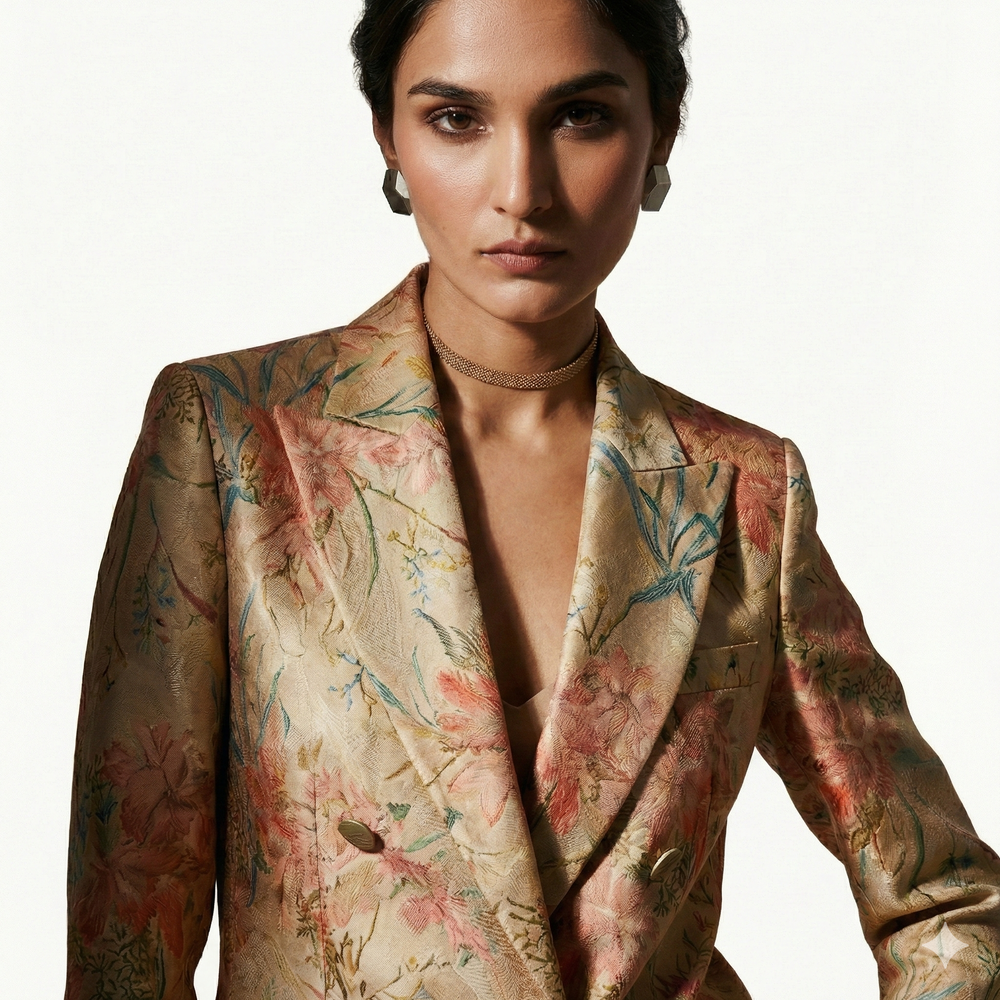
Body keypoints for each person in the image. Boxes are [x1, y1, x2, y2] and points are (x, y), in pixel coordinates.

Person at [64, 0, 1000, 997]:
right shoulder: (233, 442)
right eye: (456, 119)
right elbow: (129, 927)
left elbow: (941, 899)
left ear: (658, 135)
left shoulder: (737, 492)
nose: (521, 191)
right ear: (387, 131)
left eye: (580, 116)